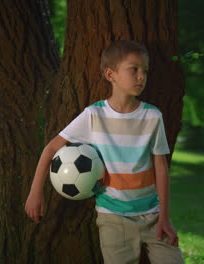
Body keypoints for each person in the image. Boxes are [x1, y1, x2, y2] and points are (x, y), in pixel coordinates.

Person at [25, 40, 184, 264]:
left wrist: (164, 217)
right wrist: (35, 192)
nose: (141, 76)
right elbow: (51, 147)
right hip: (113, 218)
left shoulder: (152, 116)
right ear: (111, 75)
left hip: (153, 215)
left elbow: (160, 165)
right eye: (134, 69)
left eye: (145, 71)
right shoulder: (93, 115)